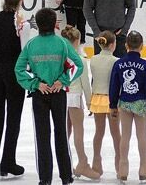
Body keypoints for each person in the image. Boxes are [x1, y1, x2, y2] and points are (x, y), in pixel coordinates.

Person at [15, 8, 83, 185]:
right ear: (54, 24)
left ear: (37, 25)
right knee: (61, 133)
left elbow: (19, 69)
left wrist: (36, 84)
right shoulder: (62, 43)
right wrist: (63, 81)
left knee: (42, 135)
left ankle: (45, 179)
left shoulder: (31, 45)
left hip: (39, 94)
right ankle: (66, 176)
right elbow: (78, 65)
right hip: (58, 94)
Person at [0, 0, 30, 178]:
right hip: (15, 74)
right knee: (13, 117)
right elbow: (24, 51)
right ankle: (7, 161)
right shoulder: (20, 22)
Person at [109, 31, 146, 183]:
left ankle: (123, 169)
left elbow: (114, 86)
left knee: (126, 135)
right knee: (141, 136)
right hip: (140, 103)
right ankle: (144, 169)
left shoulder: (119, 64)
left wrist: (112, 105)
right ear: (142, 46)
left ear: (126, 45)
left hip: (125, 103)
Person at [60, 26, 100, 180]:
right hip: (75, 97)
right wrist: (90, 103)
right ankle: (82, 163)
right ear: (77, 41)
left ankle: (66, 162)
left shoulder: (60, 58)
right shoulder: (80, 60)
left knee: (65, 132)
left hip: (62, 97)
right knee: (78, 131)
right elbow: (85, 84)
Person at [89, 31, 121, 177]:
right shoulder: (116, 61)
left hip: (96, 98)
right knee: (116, 134)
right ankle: (120, 164)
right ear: (113, 44)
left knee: (99, 132)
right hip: (111, 100)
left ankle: (96, 163)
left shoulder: (93, 59)